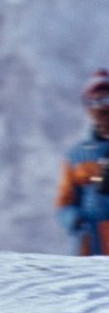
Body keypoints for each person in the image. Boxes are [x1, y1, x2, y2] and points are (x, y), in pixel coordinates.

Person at [56, 69, 109, 255]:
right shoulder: (76, 155)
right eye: (95, 101)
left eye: (106, 99)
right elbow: (65, 202)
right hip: (91, 246)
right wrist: (74, 220)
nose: (102, 107)